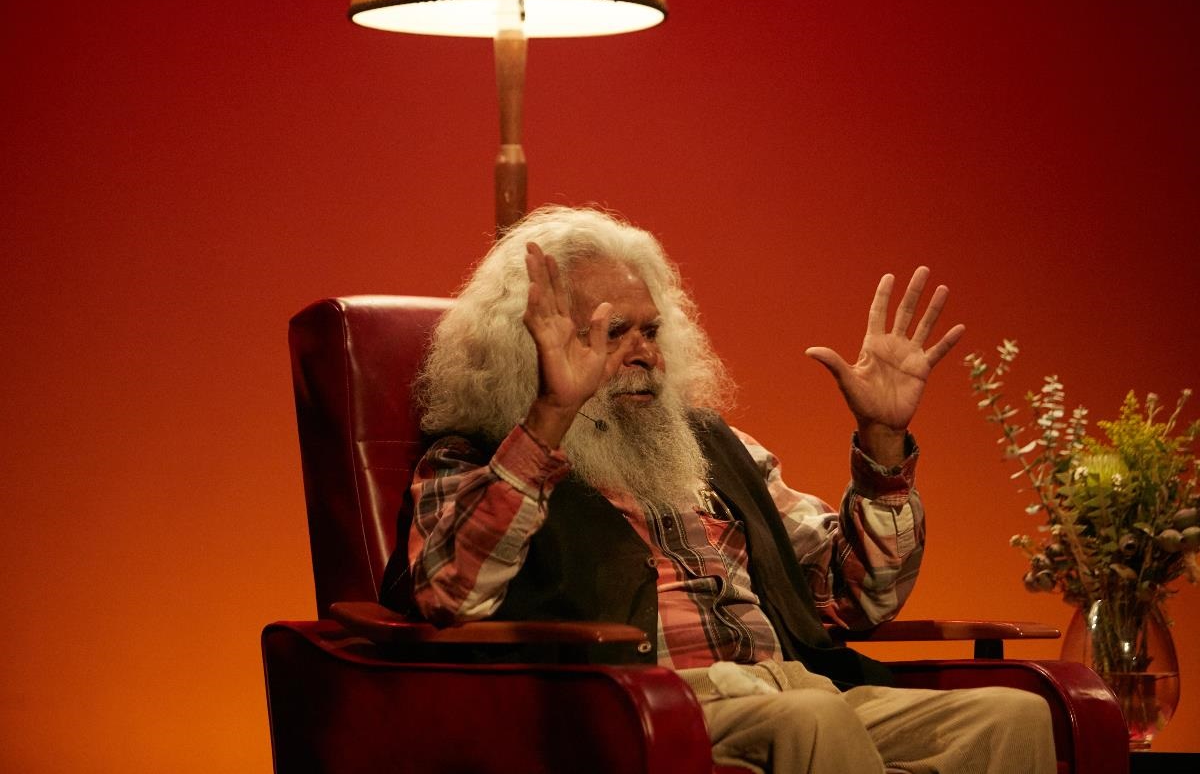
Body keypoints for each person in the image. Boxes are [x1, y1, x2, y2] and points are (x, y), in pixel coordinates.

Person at [381, 205, 1056, 773]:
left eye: (651, 329)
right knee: (812, 720)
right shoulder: (479, 459)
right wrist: (551, 417)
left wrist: (882, 440)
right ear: (533, 343)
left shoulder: (713, 448)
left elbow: (855, 596)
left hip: (797, 684)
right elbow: (451, 592)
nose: (644, 351)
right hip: (644, 704)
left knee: (1010, 717)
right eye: (614, 332)